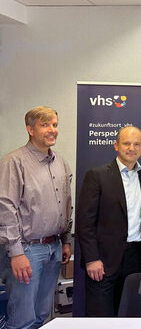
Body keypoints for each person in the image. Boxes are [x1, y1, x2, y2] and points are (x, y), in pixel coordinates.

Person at [0, 106, 72, 329]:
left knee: (43, 315)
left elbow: (67, 204)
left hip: (54, 248)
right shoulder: (14, 162)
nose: (52, 130)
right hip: (27, 251)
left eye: (55, 125)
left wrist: (66, 240)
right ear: (30, 129)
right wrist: (16, 253)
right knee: (22, 318)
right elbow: (5, 207)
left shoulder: (60, 162)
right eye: (45, 125)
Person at [76, 126, 141, 316]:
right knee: (100, 318)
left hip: (135, 258)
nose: (131, 148)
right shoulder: (97, 175)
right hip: (103, 261)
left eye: (137, 144)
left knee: (128, 315)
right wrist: (92, 258)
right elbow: (85, 223)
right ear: (116, 145)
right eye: (126, 143)